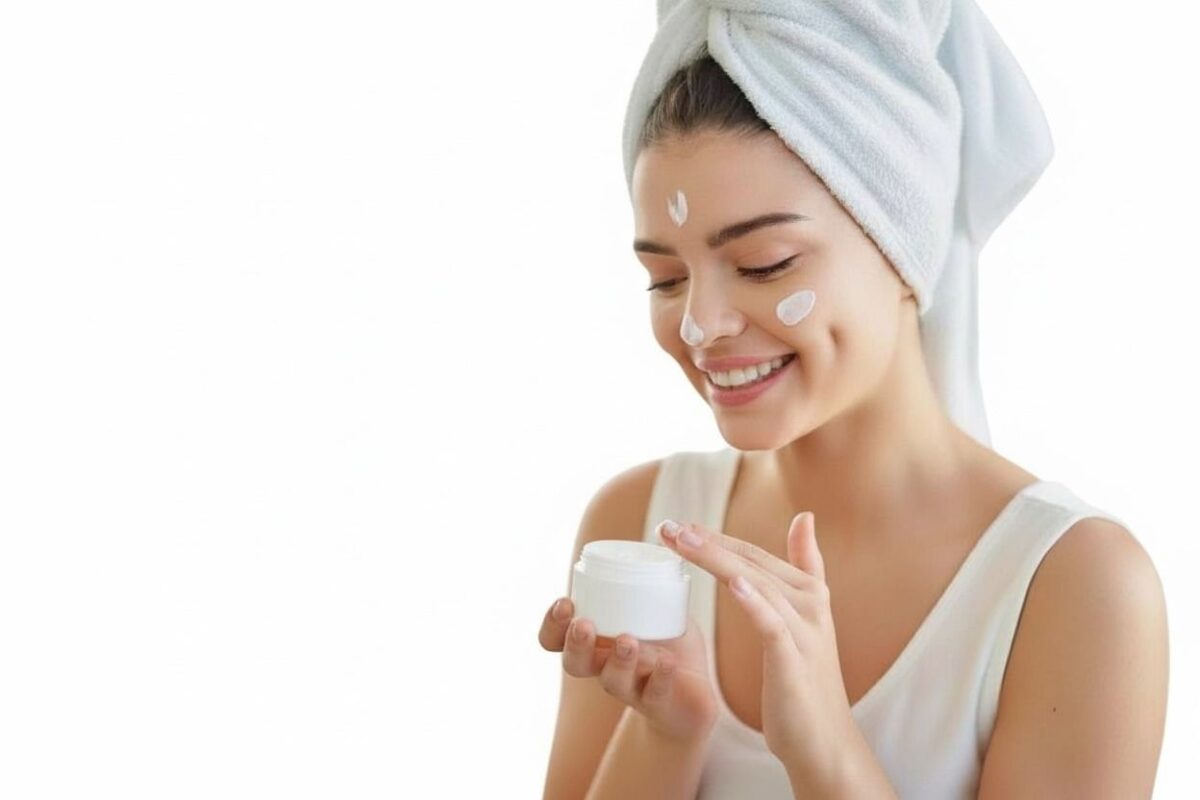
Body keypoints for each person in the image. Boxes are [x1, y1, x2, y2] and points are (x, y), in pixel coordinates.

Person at [537, 46, 1167, 800]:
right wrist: (666, 732)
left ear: (906, 245)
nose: (700, 324)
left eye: (765, 263)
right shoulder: (638, 526)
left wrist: (826, 753)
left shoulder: (1077, 586)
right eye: (666, 279)